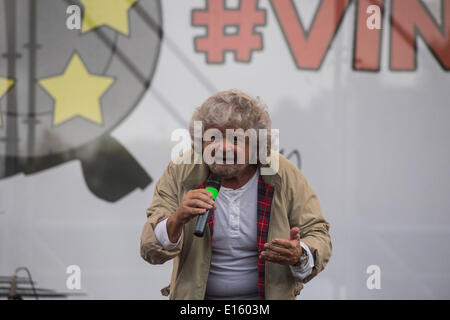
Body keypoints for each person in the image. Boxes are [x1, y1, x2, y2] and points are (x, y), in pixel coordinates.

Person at [140, 89, 332, 300]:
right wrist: (176, 219)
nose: (223, 148)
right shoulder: (180, 170)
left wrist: (300, 254)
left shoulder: (281, 172)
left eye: (236, 139)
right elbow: (151, 249)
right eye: (212, 138)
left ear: (258, 144)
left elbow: (317, 233)